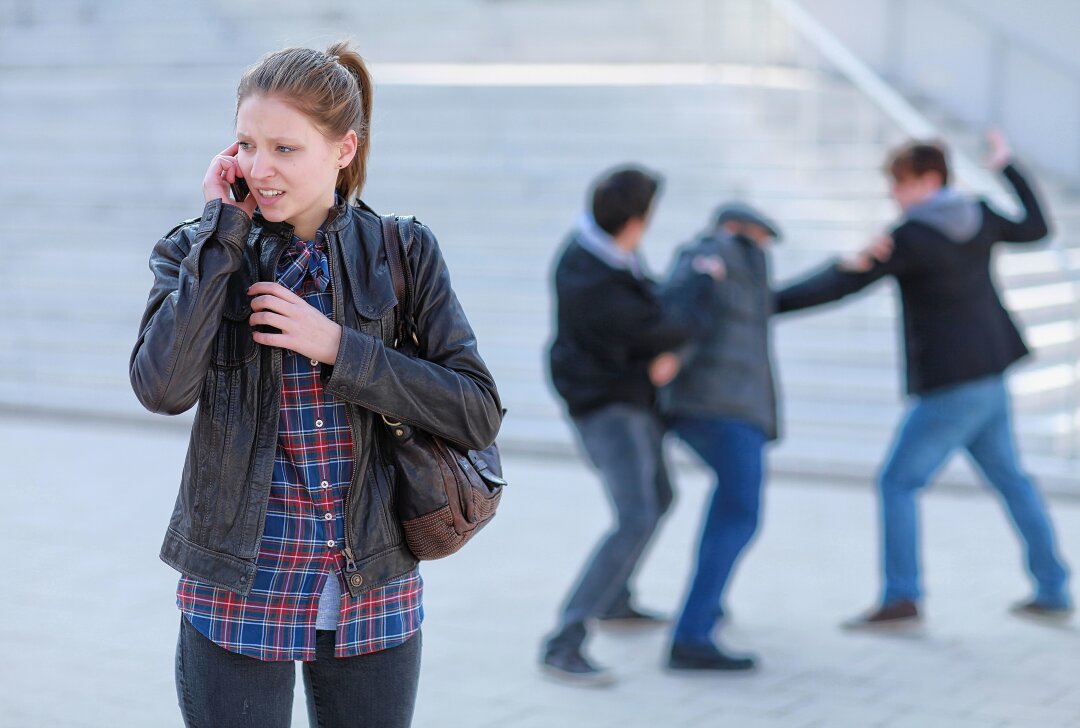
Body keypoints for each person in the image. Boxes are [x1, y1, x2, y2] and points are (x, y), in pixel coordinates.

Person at [130, 42, 502, 727]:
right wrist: (222, 234)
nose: (259, 168)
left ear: (343, 148)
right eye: (246, 144)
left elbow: (477, 411)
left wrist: (341, 348)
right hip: (239, 591)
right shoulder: (198, 250)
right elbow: (162, 389)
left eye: (284, 148)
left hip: (371, 592)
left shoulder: (403, 250)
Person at [776, 131, 1072, 629]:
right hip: (991, 373)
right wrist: (1008, 167)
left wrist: (766, 303)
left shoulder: (910, 238)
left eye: (901, 183)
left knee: (898, 482)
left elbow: (844, 284)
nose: (894, 193)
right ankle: (1053, 586)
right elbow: (1037, 229)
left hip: (953, 384)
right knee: (1013, 481)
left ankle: (902, 595)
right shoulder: (978, 216)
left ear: (930, 180)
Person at [543, 166, 723, 686]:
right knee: (636, 515)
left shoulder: (603, 252)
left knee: (660, 497)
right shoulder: (594, 275)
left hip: (630, 398)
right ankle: (565, 639)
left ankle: (616, 599)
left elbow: (652, 317)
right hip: (608, 407)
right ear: (636, 220)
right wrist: (705, 283)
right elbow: (666, 326)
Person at [658, 203, 783, 671]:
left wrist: (846, 271)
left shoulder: (746, 270)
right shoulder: (714, 252)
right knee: (740, 511)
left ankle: (705, 606)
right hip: (719, 406)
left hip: (729, 405)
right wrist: (674, 356)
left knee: (730, 511)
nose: (765, 247)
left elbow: (783, 301)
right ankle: (692, 633)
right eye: (759, 236)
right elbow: (685, 302)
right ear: (736, 229)